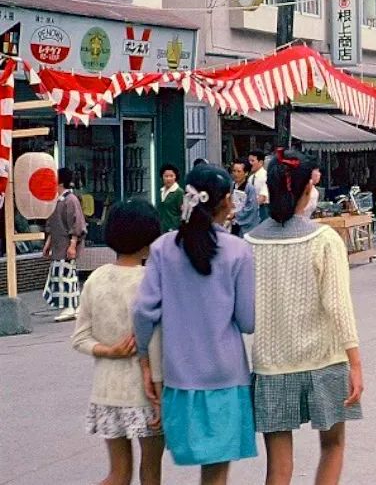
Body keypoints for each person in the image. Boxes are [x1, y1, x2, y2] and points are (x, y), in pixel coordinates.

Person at [245, 148, 364, 485]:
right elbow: (339, 306)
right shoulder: (324, 239)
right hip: (324, 361)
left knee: (278, 469)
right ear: (305, 191)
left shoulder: (249, 242)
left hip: (271, 365)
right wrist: (355, 364)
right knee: (333, 445)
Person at [134, 164, 257, 482]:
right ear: (226, 201)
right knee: (216, 473)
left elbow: (144, 311)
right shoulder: (238, 250)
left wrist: (145, 361)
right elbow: (247, 321)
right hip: (225, 375)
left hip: (179, 376)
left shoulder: (163, 247)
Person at [71, 200, 164, 485]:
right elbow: (156, 343)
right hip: (145, 393)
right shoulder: (151, 280)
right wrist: (160, 392)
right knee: (150, 471)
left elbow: (80, 337)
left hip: (106, 391)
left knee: (118, 473)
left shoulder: (96, 279)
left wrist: (109, 350)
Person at [42, 167, 87, 322]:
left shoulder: (70, 199)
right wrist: (48, 243)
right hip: (59, 243)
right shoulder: (58, 199)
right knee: (66, 275)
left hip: (66, 245)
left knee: (65, 276)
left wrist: (73, 244)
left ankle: (69, 307)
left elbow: (77, 224)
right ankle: (74, 306)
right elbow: (52, 225)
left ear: (59, 181)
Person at [229, 158, 260, 236]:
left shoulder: (250, 189)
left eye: (239, 171)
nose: (235, 174)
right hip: (233, 223)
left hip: (246, 226)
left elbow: (251, 208)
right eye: (234, 171)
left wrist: (236, 214)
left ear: (246, 173)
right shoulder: (231, 185)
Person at [158, 164, 184, 233]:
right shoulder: (161, 191)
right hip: (162, 229)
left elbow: (182, 213)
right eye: (166, 176)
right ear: (162, 177)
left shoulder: (179, 192)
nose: (168, 179)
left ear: (175, 177)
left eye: (171, 176)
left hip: (174, 229)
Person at [248, 150, 270, 222]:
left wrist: (250, 208)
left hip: (263, 210)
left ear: (261, 162)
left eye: (252, 161)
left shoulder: (266, 176)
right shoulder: (250, 178)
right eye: (249, 161)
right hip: (252, 210)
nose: (250, 163)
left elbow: (262, 197)